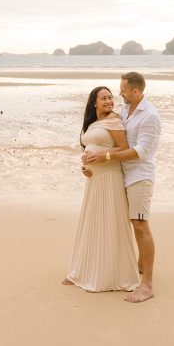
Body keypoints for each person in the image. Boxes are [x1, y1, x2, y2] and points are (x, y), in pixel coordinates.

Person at [82, 71, 160, 303]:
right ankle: (137, 266)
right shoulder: (125, 110)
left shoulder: (150, 117)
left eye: (123, 90)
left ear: (136, 91)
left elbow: (140, 151)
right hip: (120, 175)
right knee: (126, 222)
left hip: (139, 175)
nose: (119, 94)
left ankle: (147, 284)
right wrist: (89, 162)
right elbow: (104, 137)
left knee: (139, 224)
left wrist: (104, 157)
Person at [62, 86, 140, 293]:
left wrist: (101, 157)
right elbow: (89, 149)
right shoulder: (93, 123)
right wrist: (85, 166)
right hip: (94, 179)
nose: (108, 101)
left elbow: (123, 147)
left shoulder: (114, 120)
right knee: (93, 221)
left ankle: (111, 274)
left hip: (110, 177)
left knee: (109, 222)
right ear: (94, 103)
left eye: (110, 98)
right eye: (103, 98)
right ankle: (84, 270)